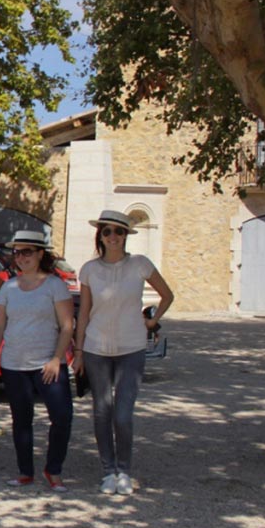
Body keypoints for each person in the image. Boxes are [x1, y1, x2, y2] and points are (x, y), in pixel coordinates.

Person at [73, 209, 175, 496]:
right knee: (101, 411)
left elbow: (167, 295)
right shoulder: (90, 270)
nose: (113, 237)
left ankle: (125, 471)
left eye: (119, 232)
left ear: (126, 236)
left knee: (123, 414)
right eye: (107, 231)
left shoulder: (140, 264)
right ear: (100, 236)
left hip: (131, 347)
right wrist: (78, 351)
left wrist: (152, 322)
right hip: (96, 348)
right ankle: (108, 471)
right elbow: (84, 314)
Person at [0, 230, 75, 491]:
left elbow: (67, 326)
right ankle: (25, 471)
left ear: (40, 254)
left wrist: (57, 359)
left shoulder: (55, 285)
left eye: (27, 252)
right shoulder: (9, 287)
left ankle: (53, 470)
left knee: (62, 416)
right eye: (17, 252)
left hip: (48, 363)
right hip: (14, 364)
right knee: (21, 419)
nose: (21, 257)